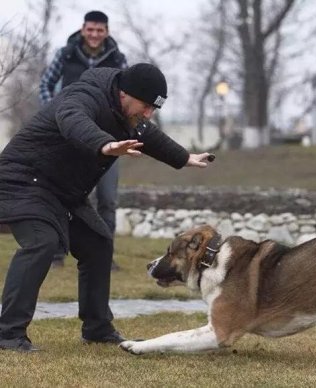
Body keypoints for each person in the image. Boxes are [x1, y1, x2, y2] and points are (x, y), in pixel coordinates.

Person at [0, 62, 213, 352]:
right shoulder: (85, 95)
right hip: (24, 181)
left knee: (98, 243)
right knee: (42, 242)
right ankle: (9, 334)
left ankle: (97, 328)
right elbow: (72, 118)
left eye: (154, 109)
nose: (148, 114)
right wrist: (104, 144)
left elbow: (148, 135)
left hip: (63, 191)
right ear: (125, 93)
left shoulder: (126, 113)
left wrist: (183, 158)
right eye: (146, 106)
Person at [39, 10, 127, 270]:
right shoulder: (65, 54)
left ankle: (105, 255)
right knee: (62, 195)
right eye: (90, 29)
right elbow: (45, 85)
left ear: (106, 32)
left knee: (108, 200)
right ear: (82, 29)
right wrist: (55, 113)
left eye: (100, 30)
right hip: (70, 137)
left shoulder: (118, 59)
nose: (94, 34)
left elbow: (125, 96)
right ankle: (56, 253)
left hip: (107, 138)